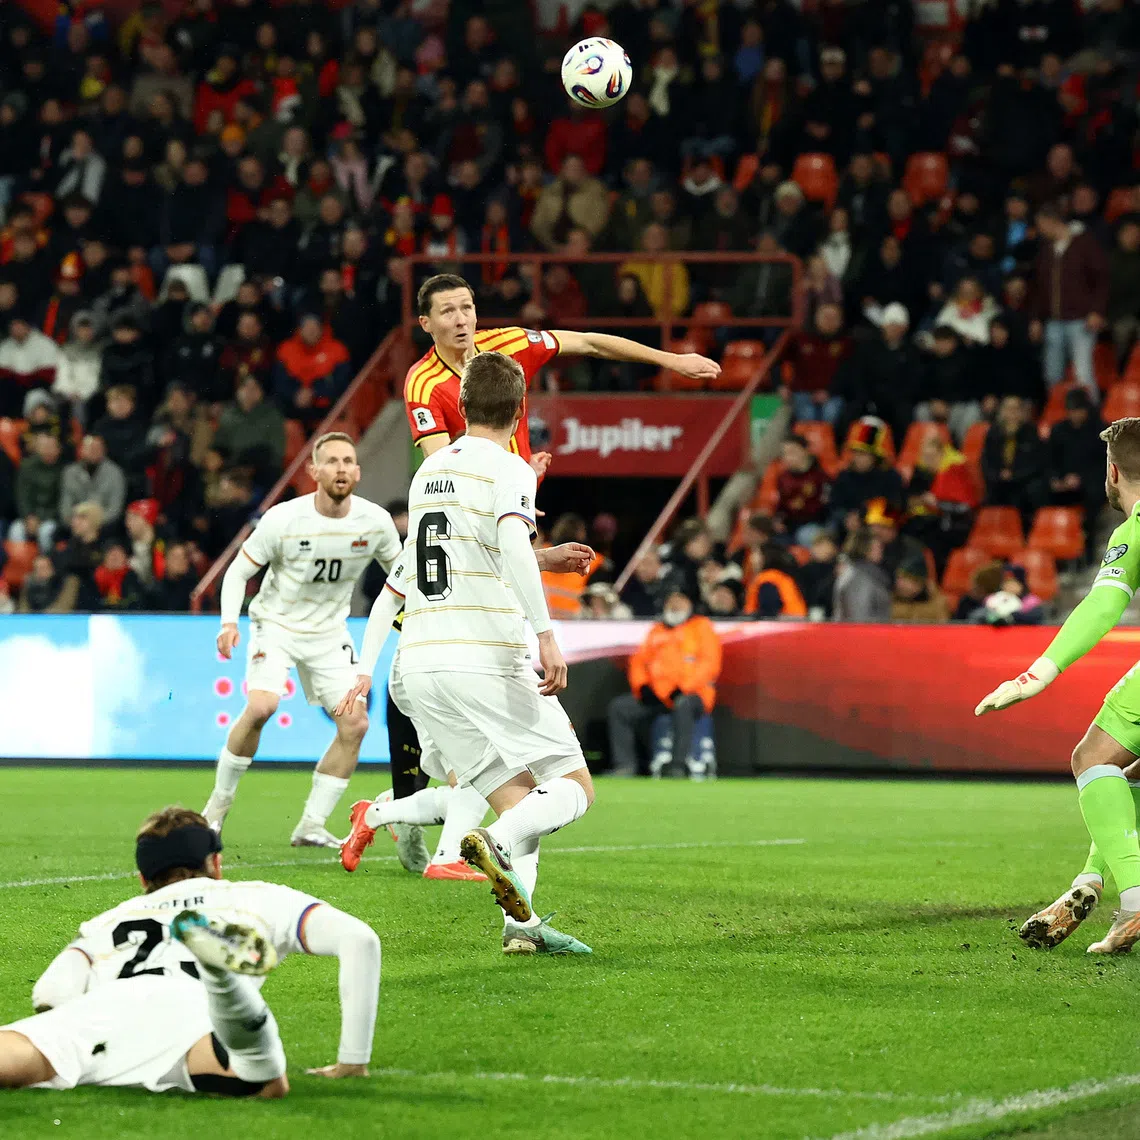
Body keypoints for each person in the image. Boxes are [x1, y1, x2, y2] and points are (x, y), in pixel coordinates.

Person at [339, 352, 598, 955]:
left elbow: (424, 566)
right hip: (482, 655)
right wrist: (546, 633)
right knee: (573, 786)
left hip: (422, 664)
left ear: (460, 403)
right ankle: (496, 845)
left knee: (516, 793)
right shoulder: (508, 470)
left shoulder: (429, 475)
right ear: (519, 408)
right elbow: (509, 540)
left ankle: (522, 931)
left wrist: (363, 667)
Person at [0, 806, 380, 1092]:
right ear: (215, 862)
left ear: (143, 878)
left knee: (21, 1052)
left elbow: (51, 991)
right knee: (263, 1081)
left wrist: (75, 1023)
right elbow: (360, 940)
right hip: (191, 1020)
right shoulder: (255, 896)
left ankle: (215, 983)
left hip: (103, 1012)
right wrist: (353, 1060)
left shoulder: (113, 917)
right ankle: (220, 978)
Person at [977, 417, 1140, 953]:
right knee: (1127, 777)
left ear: (1112, 472)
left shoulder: (1133, 529)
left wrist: (1037, 673)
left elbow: (1102, 605)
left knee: (1092, 757)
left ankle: (1137, 902)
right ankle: (1090, 883)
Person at [203, 432, 402, 848]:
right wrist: (228, 623)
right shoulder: (283, 520)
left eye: (349, 461)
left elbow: (403, 576)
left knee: (355, 723)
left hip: (330, 634)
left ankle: (311, 824)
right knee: (261, 706)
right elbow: (238, 572)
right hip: (275, 625)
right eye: (331, 461)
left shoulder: (375, 522)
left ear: (359, 471)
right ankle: (216, 809)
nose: (342, 468)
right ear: (314, 471)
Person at [403, 273, 720, 470]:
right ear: (426, 324)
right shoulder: (422, 382)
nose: (461, 320)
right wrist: (510, 490)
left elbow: (588, 343)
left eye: (466, 308)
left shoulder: (509, 343)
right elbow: (441, 467)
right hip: (474, 516)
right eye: (447, 312)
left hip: (516, 503)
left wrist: (671, 360)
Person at [608, 588, 722, 778]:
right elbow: (638, 662)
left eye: (680, 600)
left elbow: (709, 665)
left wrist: (682, 688)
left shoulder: (701, 627)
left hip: (692, 694)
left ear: (690, 603)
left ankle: (677, 766)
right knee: (619, 708)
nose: (675, 605)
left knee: (683, 706)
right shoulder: (656, 630)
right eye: (671, 600)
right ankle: (625, 766)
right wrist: (642, 687)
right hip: (658, 695)